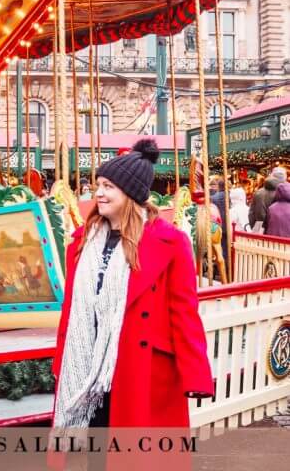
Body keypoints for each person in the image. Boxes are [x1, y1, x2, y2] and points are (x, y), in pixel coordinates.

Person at [52, 139, 213, 430]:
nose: (98, 193)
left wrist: (195, 374)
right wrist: (61, 359)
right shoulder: (81, 243)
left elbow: (184, 311)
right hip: (86, 361)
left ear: (130, 194)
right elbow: (71, 309)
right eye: (99, 184)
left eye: (108, 186)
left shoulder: (170, 243)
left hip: (141, 367)